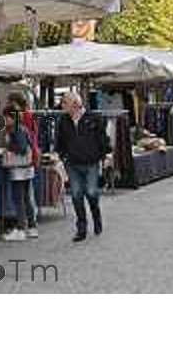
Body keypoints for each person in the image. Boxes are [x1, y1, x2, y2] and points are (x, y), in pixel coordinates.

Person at [56, 92, 108, 242]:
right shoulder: (64, 120)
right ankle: (81, 228)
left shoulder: (94, 118)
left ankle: (96, 217)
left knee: (92, 193)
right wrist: (61, 156)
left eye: (64, 103)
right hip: (72, 164)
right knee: (76, 195)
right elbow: (59, 141)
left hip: (91, 162)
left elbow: (102, 139)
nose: (62, 106)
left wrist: (106, 155)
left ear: (75, 104)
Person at [5, 91, 39, 238]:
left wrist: (8, 148)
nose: (4, 121)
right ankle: (31, 227)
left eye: (5, 118)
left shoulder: (16, 129)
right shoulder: (24, 127)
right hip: (27, 167)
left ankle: (20, 229)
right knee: (26, 197)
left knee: (18, 198)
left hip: (19, 168)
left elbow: (21, 148)